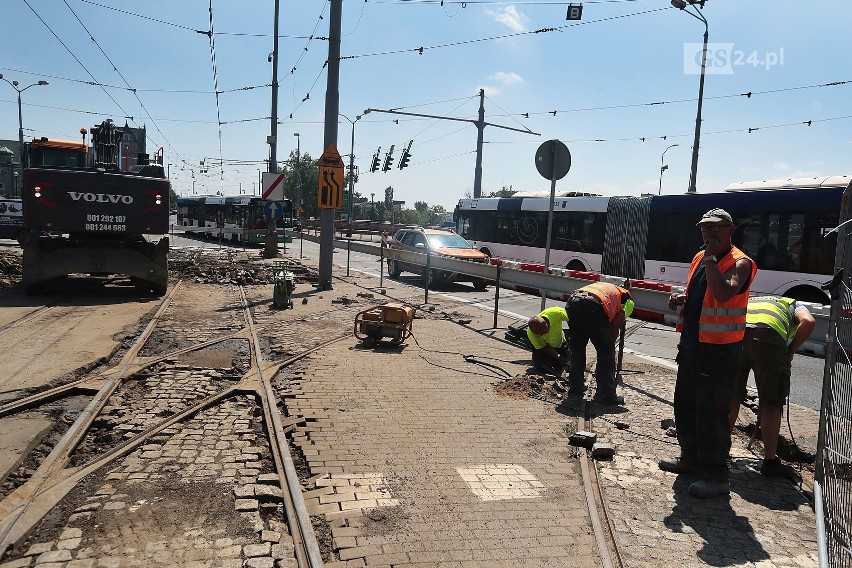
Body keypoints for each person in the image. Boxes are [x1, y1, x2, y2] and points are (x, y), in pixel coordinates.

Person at [659, 208, 757, 498]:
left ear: (730, 231)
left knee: (712, 413)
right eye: (704, 229)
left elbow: (725, 292)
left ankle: (716, 475)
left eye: (715, 229)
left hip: (720, 351)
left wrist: (713, 257)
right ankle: (690, 460)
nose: (709, 234)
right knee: (686, 405)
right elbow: (704, 295)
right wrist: (682, 300)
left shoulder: (740, 262)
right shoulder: (700, 258)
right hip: (692, 345)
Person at [729, 296, 815, 479]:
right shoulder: (793, 304)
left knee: (732, 395)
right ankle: (769, 462)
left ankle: (720, 451)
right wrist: (790, 351)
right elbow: (808, 321)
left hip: (737, 334)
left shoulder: (754, 299)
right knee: (771, 402)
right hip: (768, 337)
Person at [565, 282, 634, 405]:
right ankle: (606, 395)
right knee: (606, 354)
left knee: (577, 351)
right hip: (592, 306)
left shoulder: (607, 289)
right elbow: (616, 325)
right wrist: (609, 344)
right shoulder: (628, 301)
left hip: (573, 302)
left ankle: (575, 389)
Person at [526, 306, 570, 377]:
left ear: (545, 323)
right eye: (538, 334)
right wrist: (558, 357)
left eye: (542, 332)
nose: (541, 335)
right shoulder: (531, 333)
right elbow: (544, 347)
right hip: (547, 347)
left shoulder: (557, 313)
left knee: (562, 365)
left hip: (559, 343)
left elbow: (572, 319)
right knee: (541, 366)